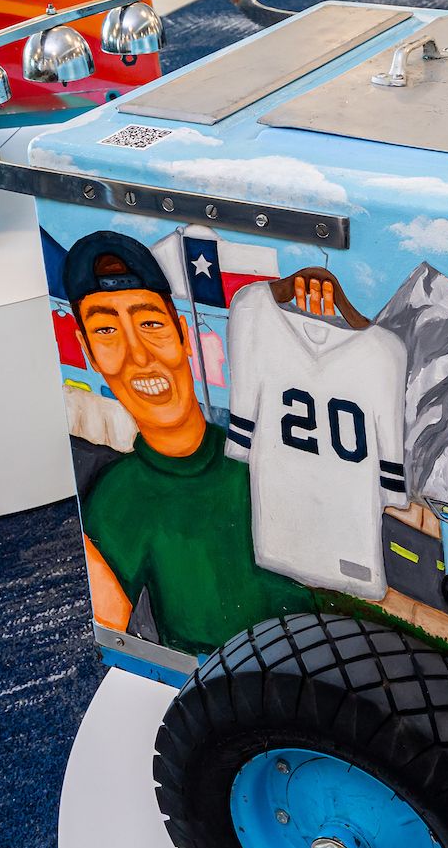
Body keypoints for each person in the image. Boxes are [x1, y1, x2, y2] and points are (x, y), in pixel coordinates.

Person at [65, 231, 311, 654]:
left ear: (182, 333)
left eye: (150, 324)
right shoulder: (118, 500)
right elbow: (117, 637)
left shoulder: (263, 453)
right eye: (106, 330)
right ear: (86, 350)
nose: (138, 355)